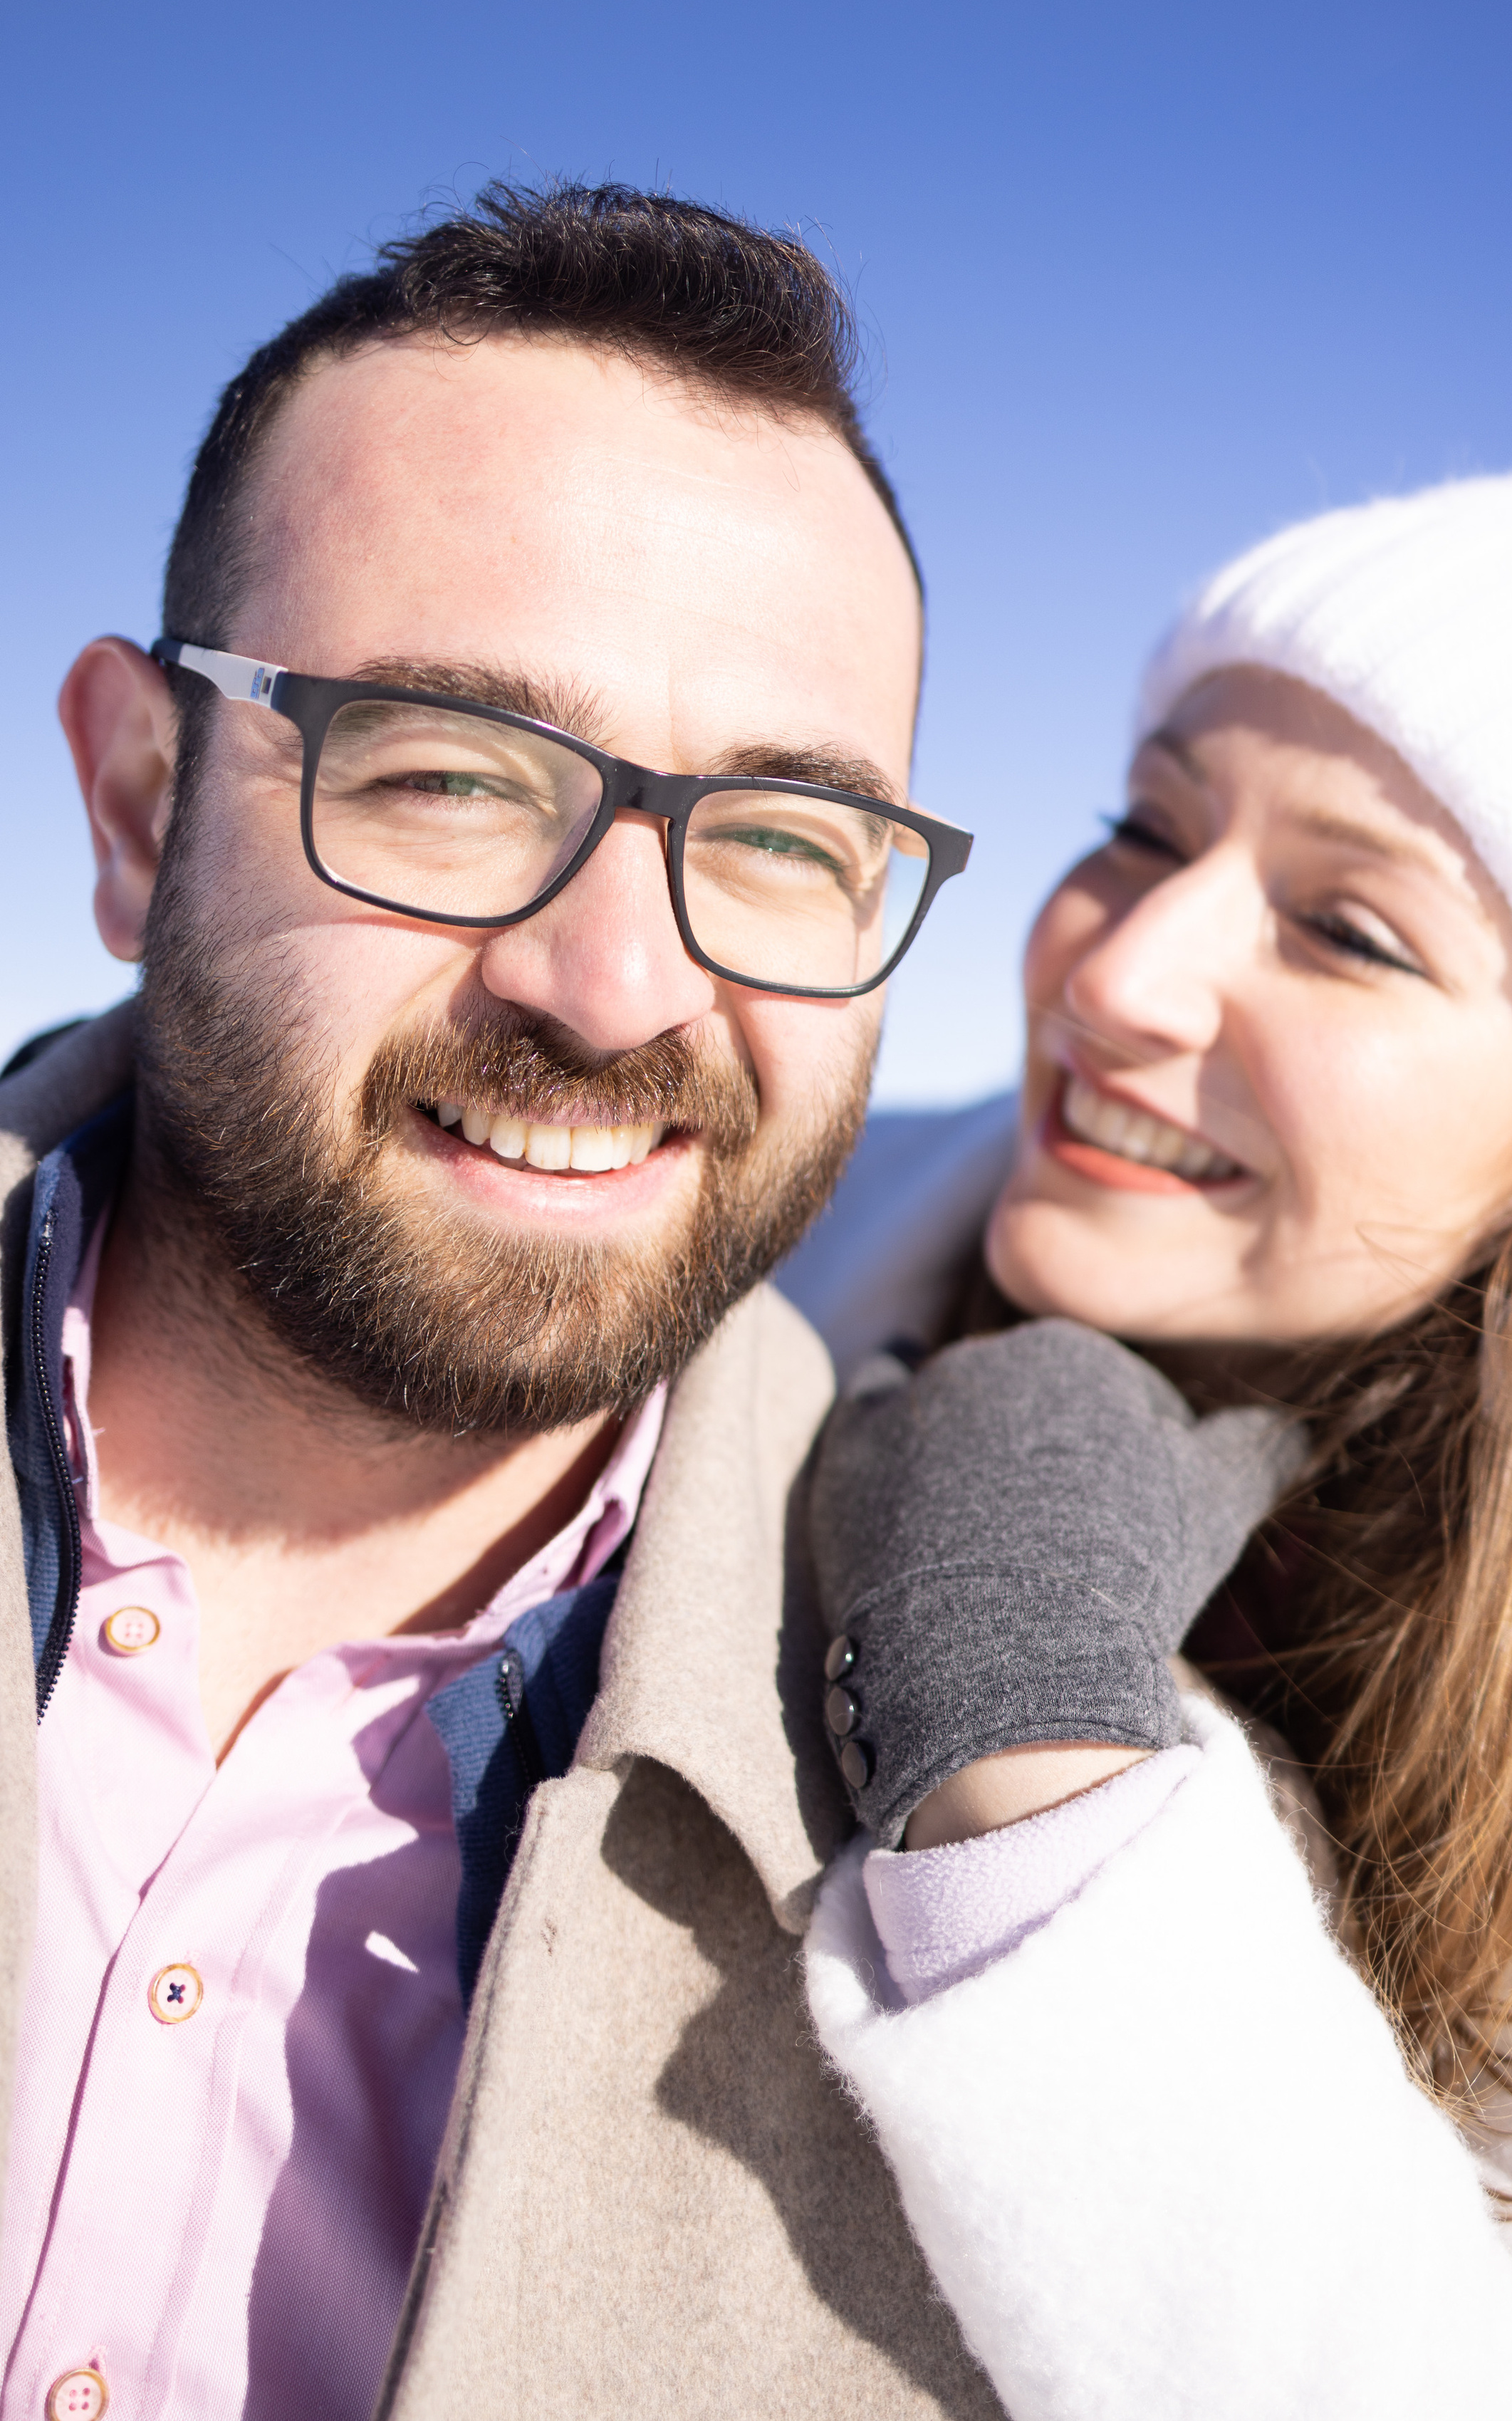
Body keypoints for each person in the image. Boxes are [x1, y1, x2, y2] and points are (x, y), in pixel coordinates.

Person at [0, 177, 1026, 2421]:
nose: (616, 984)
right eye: (454, 777)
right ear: (132, 800)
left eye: (776, 835)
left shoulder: (1016, 1908)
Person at [781, 464, 1512, 2417]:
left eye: (1344, 932)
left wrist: (1039, 1750)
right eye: (1139, 827)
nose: (1112, 972)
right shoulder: (763, 1272)